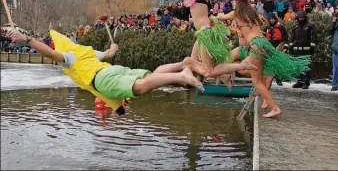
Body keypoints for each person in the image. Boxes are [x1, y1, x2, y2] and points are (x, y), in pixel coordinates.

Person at [9, 29, 209, 115]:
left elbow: (51, 53)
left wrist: (26, 39)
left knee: (139, 88)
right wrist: (114, 47)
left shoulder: (69, 57)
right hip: (113, 69)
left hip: (101, 79)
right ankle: (182, 64)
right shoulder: (86, 51)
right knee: (152, 76)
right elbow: (110, 53)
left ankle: (181, 76)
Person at [217, 0, 311, 118]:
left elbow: (220, 18)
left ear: (237, 3)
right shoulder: (252, 12)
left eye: (234, 1)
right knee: (243, 69)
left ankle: (274, 107)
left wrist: (208, 20)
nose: (233, 2)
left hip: (255, 46)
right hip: (263, 43)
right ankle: (267, 77)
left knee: (256, 81)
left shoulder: (236, 14)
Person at [289, 11, 317, 89]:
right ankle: (299, 81)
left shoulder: (310, 26)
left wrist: (312, 47)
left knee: (305, 66)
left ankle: (306, 82)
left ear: (305, 17)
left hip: (306, 49)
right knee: (297, 66)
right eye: (299, 17)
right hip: (296, 49)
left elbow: (314, 37)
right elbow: (292, 38)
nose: (301, 18)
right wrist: (290, 46)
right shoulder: (295, 26)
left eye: (302, 17)